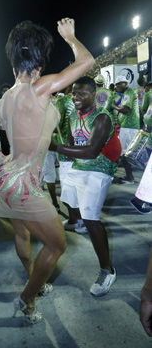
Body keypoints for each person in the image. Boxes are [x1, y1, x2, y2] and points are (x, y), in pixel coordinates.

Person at [0, 17, 94, 323]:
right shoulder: (39, 89)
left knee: (23, 233)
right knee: (57, 245)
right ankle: (27, 298)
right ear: (38, 67)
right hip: (25, 184)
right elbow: (87, 61)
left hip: (6, 180)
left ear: (14, 67)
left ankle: (34, 279)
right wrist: (70, 37)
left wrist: (1, 158)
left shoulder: (3, 101)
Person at [51, 76, 122, 297]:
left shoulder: (101, 117)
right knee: (69, 201)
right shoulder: (73, 114)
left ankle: (107, 270)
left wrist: (57, 147)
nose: (76, 97)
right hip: (79, 166)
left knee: (92, 219)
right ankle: (77, 221)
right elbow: (73, 144)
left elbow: (91, 151)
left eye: (81, 93)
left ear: (93, 94)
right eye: (74, 93)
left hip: (99, 168)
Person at [55, 85, 87, 233]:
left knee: (69, 190)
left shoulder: (62, 102)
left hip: (68, 153)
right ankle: (79, 220)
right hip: (83, 153)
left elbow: (57, 126)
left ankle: (77, 220)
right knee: (80, 188)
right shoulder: (90, 102)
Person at [111, 75, 140, 184]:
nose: (117, 87)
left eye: (118, 85)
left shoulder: (129, 93)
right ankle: (129, 176)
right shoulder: (128, 93)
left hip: (129, 127)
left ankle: (130, 177)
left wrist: (114, 107)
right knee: (125, 153)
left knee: (124, 153)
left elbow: (125, 110)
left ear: (124, 84)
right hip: (129, 126)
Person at [0, 83, 11, 155]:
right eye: (3, 91)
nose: (5, 92)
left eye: (7, 91)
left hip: (13, 130)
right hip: (2, 130)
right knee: (5, 150)